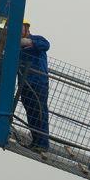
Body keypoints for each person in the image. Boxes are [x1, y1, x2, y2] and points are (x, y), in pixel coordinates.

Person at [17, 20, 52, 150]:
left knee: (40, 112)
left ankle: (43, 144)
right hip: (24, 85)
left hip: (38, 83)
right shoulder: (16, 46)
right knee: (31, 114)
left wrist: (31, 42)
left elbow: (46, 45)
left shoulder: (37, 40)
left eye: (21, 28)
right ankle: (36, 142)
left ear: (26, 28)